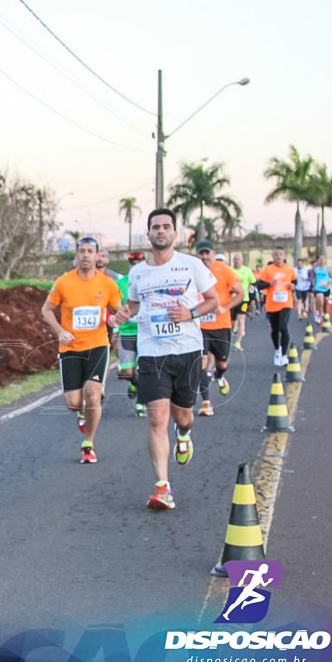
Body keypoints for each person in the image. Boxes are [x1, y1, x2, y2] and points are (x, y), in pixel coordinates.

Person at [111, 208, 218, 510]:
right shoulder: (138, 272)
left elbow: (214, 300)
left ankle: (184, 434)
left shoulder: (192, 265)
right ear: (148, 234)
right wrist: (123, 314)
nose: (161, 231)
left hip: (187, 351)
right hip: (153, 354)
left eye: (166, 226)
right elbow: (132, 305)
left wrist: (190, 312)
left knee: (182, 416)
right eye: (155, 227)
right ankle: (162, 487)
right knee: (157, 418)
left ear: (174, 233)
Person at [42, 236, 124, 464]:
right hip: (69, 347)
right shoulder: (63, 283)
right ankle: (81, 411)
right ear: (76, 255)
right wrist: (59, 331)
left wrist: (117, 320)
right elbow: (46, 310)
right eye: (82, 251)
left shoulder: (107, 284)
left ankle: (88, 444)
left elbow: (118, 309)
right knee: (73, 403)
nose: (86, 255)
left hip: (98, 344)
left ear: (98, 256)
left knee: (93, 395)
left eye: (91, 251)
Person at [194, 240, 244, 417]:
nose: (204, 257)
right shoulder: (192, 270)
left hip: (221, 325)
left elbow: (241, 293)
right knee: (201, 362)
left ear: (214, 253)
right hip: (200, 326)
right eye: (201, 253)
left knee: (222, 362)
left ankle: (220, 375)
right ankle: (206, 403)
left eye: (207, 253)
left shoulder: (223, 269)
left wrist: (225, 307)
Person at [115, 251, 147, 417]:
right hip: (126, 332)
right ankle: (134, 384)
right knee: (127, 372)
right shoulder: (120, 284)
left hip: (145, 333)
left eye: (138, 263)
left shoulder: (149, 281)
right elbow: (113, 306)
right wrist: (115, 330)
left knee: (143, 369)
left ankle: (141, 404)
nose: (135, 266)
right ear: (129, 265)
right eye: (132, 263)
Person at [255, 247, 297, 366]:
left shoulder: (290, 269)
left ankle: (284, 355)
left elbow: (295, 282)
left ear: (284, 256)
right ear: (273, 257)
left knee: (283, 326)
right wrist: (269, 284)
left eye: (280, 254)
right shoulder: (267, 270)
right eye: (276, 255)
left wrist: (293, 287)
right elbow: (259, 285)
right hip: (272, 304)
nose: (278, 257)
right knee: (275, 329)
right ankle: (277, 349)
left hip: (286, 303)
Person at [229, 252, 256, 351]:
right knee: (232, 322)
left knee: (241, 319)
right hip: (231, 299)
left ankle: (238, 343)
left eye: (238, 259)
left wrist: (252, 286)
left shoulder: (247, 270)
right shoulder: (229, 270)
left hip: (243, 299)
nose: (237, 261)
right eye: (235, 259)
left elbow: (253, 282)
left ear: (242, 260)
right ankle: (235, 328)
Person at [312, 254, 332, 326]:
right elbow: (312, 277)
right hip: (318, 288)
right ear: (318, 261)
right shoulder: (316, 269)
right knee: (320, 301)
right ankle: (319, 317)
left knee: (326, 303)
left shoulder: (328, 269)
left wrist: (329, 284)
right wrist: (314, 285)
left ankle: (325, 315)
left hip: (326, 288)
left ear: (325, 261)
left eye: (323, 259)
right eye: (320, 259)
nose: (321, 261)